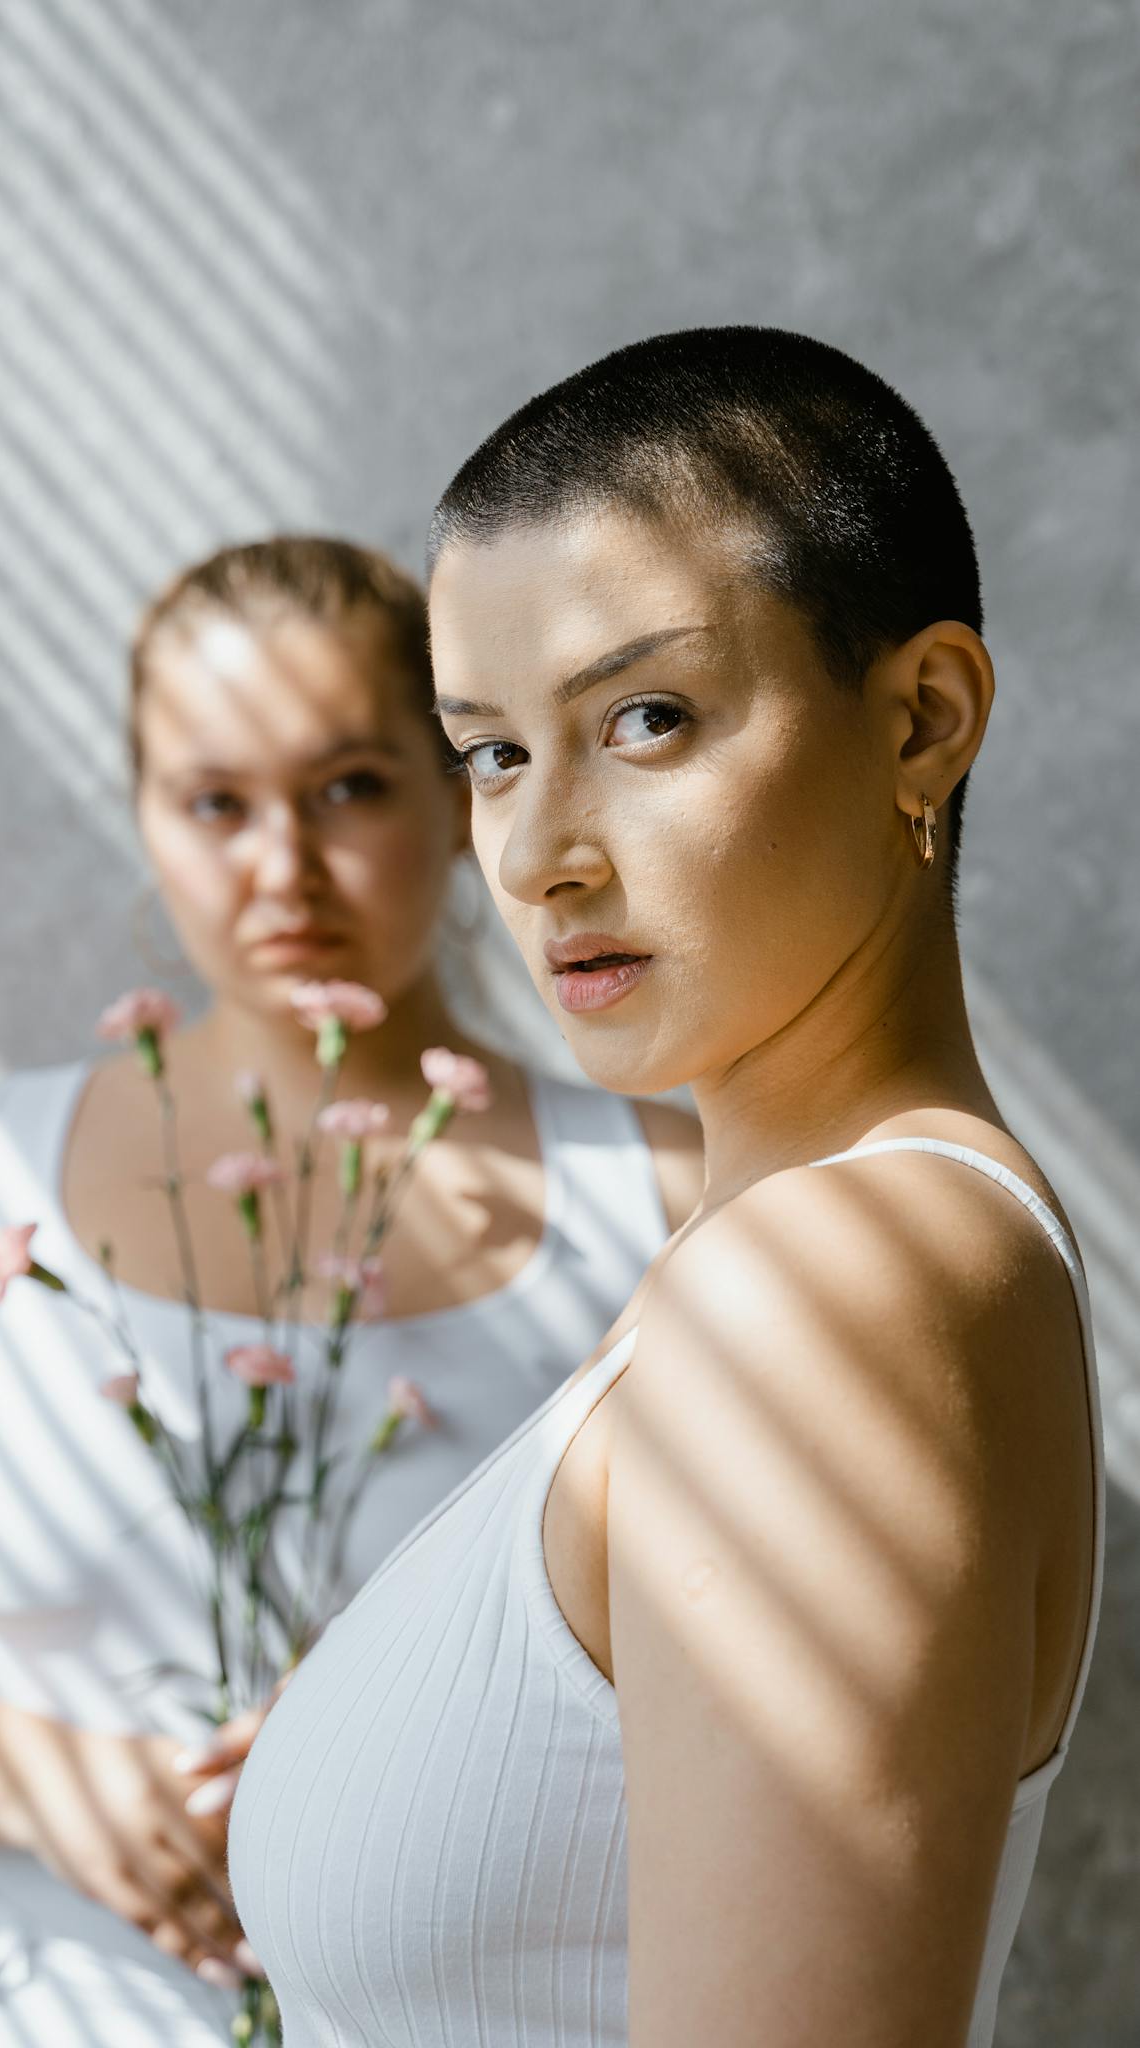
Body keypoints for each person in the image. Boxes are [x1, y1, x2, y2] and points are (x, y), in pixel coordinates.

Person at [225, 335, 1104, 2047]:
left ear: (921, 717)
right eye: (488, 752)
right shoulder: (801, 1257)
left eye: (645, 718)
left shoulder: (829, 1295)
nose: (542, 851)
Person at [0, 536, 704, 2046]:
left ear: (461, 793)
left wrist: (403, 1760)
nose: (282, 869)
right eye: (215, 805)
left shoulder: (662, 1196)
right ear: (146, 817)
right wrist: (39, 1780)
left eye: (349, 788)